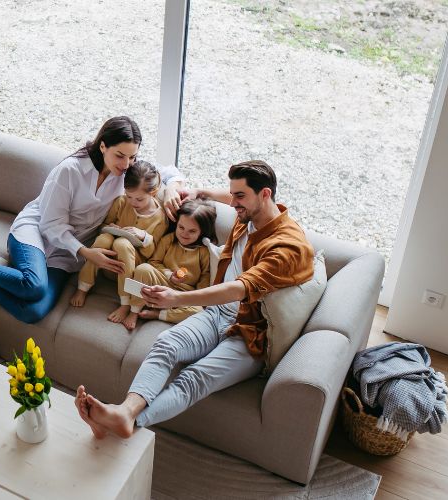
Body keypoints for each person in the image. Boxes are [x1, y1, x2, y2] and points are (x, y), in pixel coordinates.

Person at [74, 160, 315, 439]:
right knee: (165, 345)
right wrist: (203, 192)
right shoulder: (251, 215)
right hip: (217, 314)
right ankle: (123, 413)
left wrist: (177, 298)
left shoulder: (287, 247)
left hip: (250, 334)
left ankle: (127, 420)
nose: (233, 203)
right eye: (232, 195)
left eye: (239, 196)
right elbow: (230, 198)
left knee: (194, 378)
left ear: (265, 194)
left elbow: (240, 289)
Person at [0, 116, 184, 324]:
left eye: (133, 156)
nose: (127, 164)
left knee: (33, 312)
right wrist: (87, 253)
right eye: (120, 155)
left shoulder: (126, 173)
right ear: (103, 145)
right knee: (34, 286)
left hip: (66, 254)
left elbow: (168, 172)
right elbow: (50, 225)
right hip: (36, 233)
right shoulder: (70, 170)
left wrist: (172, 187)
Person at [69, 160, 169, 326]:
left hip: (131, 271)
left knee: (122, 243)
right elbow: (102, 226)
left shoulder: (160, 218)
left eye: (139, 199)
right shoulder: (121, 202)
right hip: (107, 263)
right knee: (104, 238)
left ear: (154, 192)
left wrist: (144, 236)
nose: (133, 202)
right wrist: (110, 227)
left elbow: (152, 255)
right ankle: (83, 287)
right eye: (129, 196)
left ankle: (125, 304)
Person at [126, 199, 216, 331]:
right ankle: (134, 310)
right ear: (177, 224)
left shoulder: (203, 252)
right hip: (163, 283)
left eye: (192, 231)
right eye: (181, 227)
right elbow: (154, 262)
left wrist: (196, 298)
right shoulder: (169, 239)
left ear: (202, 232)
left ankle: (159, 314)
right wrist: (169, 275)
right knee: (143, 269)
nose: (184, 233)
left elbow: (204, 278)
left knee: (198, 311)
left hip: (183, 295)